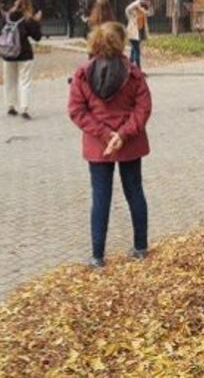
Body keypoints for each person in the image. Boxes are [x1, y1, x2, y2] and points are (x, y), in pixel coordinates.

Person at [68, 22, 152, 268]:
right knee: (134, 191)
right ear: (120, 42)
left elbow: (76, 110)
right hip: (130, 143)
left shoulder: (82, 74)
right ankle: (140, 246)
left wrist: (105, 135)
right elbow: (143, 107)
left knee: (101, 197)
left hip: (98, 146)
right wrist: (123, 134)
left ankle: (97, 255)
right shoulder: (133, 72)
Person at [0, 0, 42, 120]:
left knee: (9, 81)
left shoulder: (7, 17)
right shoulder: (28, 19)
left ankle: (11, 106)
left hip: (8, 53)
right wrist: (37, 22)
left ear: (15, 3)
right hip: (24, 54)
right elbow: (37, 37)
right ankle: (24, 108)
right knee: (25, 82)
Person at [125, 0, 150, 68]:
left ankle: (130, 66)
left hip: (139, 32)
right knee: (137, 50)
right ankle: (138, 68)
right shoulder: (130, 11)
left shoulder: (141, 10)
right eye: (137, 1)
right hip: (133, 33)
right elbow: (128, 8)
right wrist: (139, 1)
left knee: (134, 50)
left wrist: (146, 4)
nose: (139, 3)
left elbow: (149, 12)